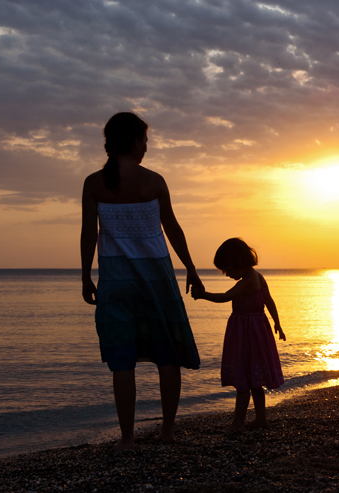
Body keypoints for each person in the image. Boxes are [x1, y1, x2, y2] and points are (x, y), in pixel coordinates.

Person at [80, 112, 203, 450]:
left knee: (123, 360)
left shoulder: (94, 182)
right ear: (135, 141)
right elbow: (172, 228)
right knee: (167, 356)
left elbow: (88, 234)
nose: (146, 147)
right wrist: (190, 267)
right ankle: (167, 432)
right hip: (157, 280)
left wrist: (85, 275)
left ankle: (128, 438)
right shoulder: (154, 180)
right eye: (145, 140)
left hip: (115, 279)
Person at [191, 238, 286, 431]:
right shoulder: (259, 276)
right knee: (255, 381)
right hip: (258, 332)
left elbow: (225, 297)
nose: (227, 275)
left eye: (228, 269)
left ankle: (238, 423)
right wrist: (277, 323)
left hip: (246, 335)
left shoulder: (246, 283)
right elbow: (269, 301)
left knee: (243, 378)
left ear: (238, 262)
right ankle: (261, 419)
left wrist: (203, 295)